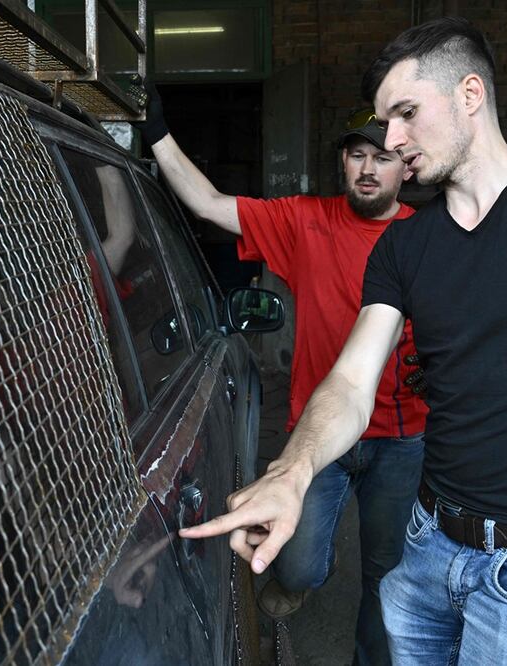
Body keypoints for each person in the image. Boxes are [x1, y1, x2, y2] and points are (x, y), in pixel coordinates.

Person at [180, 17, 507, 666]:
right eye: (383, 123)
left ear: (469, 94)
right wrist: (293, 471)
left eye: (405, 114)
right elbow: (350, 382)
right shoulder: (404, 245)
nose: (391, 140)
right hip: (428, 546)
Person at [136, 87, 429, 666]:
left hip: (400, 438)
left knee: (388, 577)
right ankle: (311, 571)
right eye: (357, 155)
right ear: (343, 161)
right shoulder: (305, 221)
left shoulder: (427, 237)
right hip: (317, 435)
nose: (368, 169)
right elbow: (209, 204)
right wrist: (156, 132)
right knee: (296, 565)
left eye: (383, 157)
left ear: (407, 168)